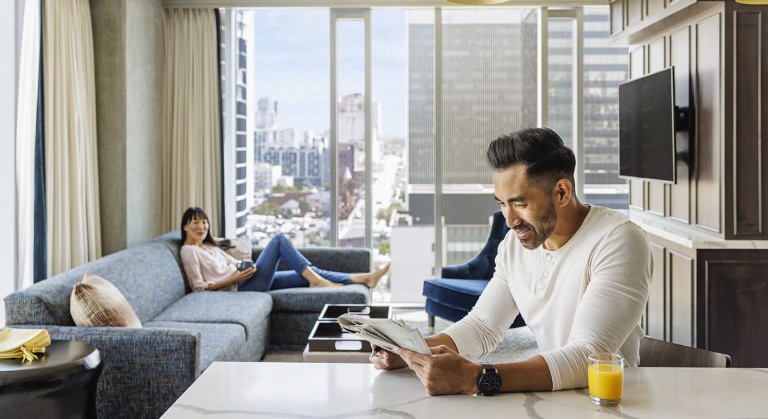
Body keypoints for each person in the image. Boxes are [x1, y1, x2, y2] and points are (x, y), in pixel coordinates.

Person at [371, 127, 652, 396]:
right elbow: (482, 327)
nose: (510, 220)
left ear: (562, 192)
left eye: (520, 204)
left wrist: (478, 377)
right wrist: (411, 353)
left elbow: (589, 356)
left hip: (610, 404)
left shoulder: (618, 240)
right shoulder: (514, 247)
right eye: (502, 203)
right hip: (552, 398)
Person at [179, 206, 389, 292]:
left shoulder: (209, 247)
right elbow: (198, 287)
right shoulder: (188, 251)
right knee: (279, 240)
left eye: (204, 222)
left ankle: (363, 279)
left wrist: (244, 267)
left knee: (306, 273)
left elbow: (230, 264)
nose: (201, 227)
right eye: (195, 223)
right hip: (240, 289)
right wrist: (234, 279)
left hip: (245, 278)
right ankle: (318, 281)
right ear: (185, 226)